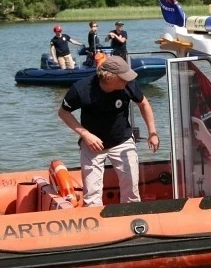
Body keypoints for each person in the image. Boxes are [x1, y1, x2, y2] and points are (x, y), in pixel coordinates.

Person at [58, 56, 160, 206]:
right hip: (93, 145)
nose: (127, 81)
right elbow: (63, 113)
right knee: (92, 197)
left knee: (131, 192)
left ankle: (131, 224)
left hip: (122, 141)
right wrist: (85, 134)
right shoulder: (81, 89)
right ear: (109, 78)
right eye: (123, 78)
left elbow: (144, 104)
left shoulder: (128, 85)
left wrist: (152, 132)